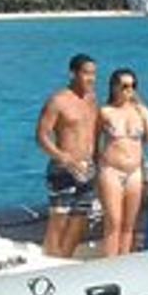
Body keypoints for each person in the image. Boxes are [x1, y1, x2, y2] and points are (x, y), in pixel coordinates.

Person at [93, 67, 148, 258]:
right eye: (124, 86)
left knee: (129, 224)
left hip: (134, 171)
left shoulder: (141, 111)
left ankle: (123, 261)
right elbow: (94, 141)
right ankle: (109, 262)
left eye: (132, 86)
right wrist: (94, 169)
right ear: (114, 87)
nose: (128, 91)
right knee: (113, 222)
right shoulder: (105, 112)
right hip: (111, 170)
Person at [35, 53, 100, 257]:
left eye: (94, 74)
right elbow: (41, 136)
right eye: (86, 73)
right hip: (63, 168)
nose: (91, 78)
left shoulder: (91, 99)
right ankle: (50, 260)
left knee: (79, 217)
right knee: (58, 219)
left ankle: (65, 259)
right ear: (73, 73)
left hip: (88, 168)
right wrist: (61, 156)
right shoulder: (58, 101)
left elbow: (94, 130)